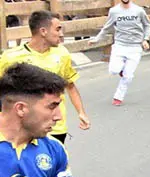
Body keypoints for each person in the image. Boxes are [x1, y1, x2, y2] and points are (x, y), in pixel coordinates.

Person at [0, 11, 91, 144]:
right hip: (24, 127)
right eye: (58, 29)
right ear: (43, 31)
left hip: (55, 128)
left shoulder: (62, 54)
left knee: (54, 162)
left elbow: (70, 86)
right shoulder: (11, 57)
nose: (61, 34)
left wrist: (81, 113)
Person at [90, 0, 150, 106]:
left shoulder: (139, 11)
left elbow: (147, 25)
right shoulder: (114, 11)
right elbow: (107, 27)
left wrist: (145, 39)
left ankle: (118, 97)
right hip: (120, 45)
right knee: (114, 70)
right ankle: (121, 70)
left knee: (128, 76)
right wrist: (97, 39)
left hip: (135, 46)